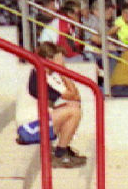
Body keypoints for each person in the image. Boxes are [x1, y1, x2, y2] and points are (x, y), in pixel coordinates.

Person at [22, 40, 86, 168]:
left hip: (42, 120)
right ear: (48, 59)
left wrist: (62, 72)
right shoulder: (39, 76)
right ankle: (60, 154)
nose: (62, 63)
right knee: (73, 111)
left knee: (73, 106)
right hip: (29, 127)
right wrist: (63, 71)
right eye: (59, 60)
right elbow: (72, 95)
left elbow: (75, 97)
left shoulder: (50, 75)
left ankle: (62, 150)